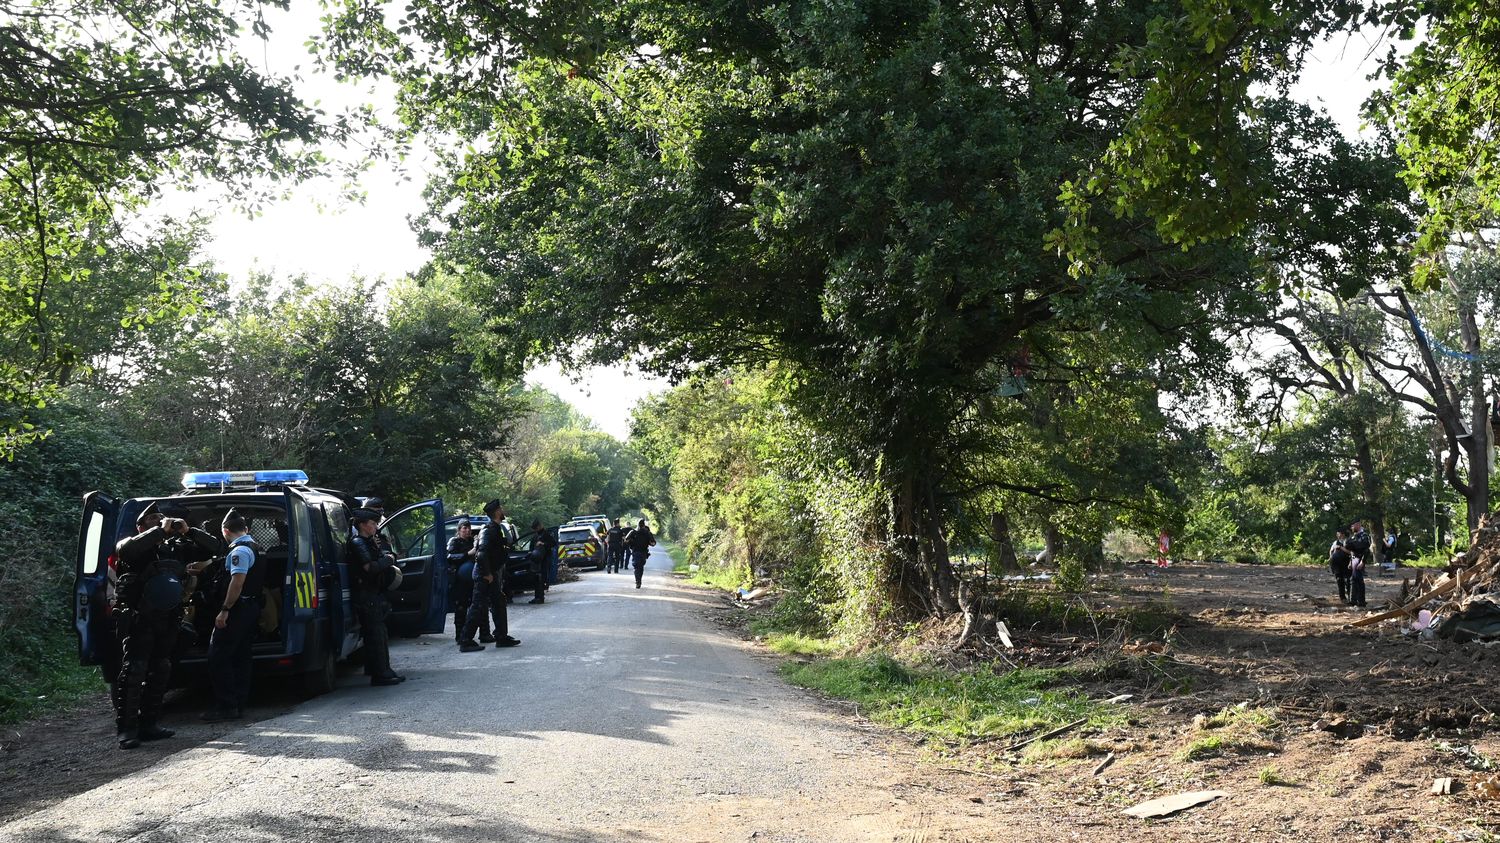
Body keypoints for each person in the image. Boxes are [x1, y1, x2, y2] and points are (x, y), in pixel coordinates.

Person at [112, 502, 218, 748]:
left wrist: (190, 531)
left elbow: (215, 548)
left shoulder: (177, 549)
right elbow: (127, 552)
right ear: (141, 526)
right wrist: (159, 530)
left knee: (161, 669)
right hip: (140, 618)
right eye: (153, 518)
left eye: (163, 517)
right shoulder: (131, 545)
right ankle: (127, 729)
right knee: (134, 671)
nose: (162, 520)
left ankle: (150, 724)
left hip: (169, 619)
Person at [203, 509, 266, 721]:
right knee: (241, 656)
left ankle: (226, 706)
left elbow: (237, 582)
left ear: (225, 531)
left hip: (237, 610)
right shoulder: (254, 546)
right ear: (246, 529)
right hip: (251, 608)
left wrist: (225, 610)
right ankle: (238, 702)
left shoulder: (239, 552)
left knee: (218, 657)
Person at [348, 509, 405, 686]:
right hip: (366, 594)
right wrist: (388, 560)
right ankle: (382, 673)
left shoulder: (368, 541)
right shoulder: (358, 542)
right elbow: (369, 568)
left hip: (373, 592)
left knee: (376, 633)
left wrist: (388, 556)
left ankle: (377, 670)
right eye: (372, 524)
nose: (375, 526)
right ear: (363, 525)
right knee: (376, 634)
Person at [458, 500, 520, 651]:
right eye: (501, 509)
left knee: (499, 602)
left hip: (491, 574)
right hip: (484, 575)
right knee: (477, 606)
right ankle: (465, 641)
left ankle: (501, 637)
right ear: (497, 512)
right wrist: (487, 574)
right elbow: (482, 553)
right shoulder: (488, 530)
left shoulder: (495, 529)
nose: (503, 510)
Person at [446, 518, 486, 644]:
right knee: (461, 607)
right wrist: (468, 553)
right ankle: (460, 636)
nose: (467, 530)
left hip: (473, 578)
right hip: (460, 580)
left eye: (468, 528)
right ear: (459, 530)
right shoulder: (454, 541)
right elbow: (450, 557)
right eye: (464, 528)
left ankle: (483, 634)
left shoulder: (472, 541)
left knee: (477, 605)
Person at [527, 519, 556, 604]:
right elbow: (532, 546)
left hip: (544, 559)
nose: (535, 530)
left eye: (536, 528)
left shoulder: (546, 534)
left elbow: (553, 543)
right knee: (536, 578)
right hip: (536, 560)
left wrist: (543, 544)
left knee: (541, 578)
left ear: (539, 526)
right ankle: (537, 597)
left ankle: (540, 597)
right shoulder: (536, 535)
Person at [1345, 521, 1371, 608]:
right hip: (1354, 559)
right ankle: (1353, 600)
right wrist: (1350, 561)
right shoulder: (1354, 536)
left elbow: (1366, 550)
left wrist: (1362, 562)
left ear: (1358, 525)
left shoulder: (1364, 536)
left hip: (1360, 559)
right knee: (1353, 580)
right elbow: (1352, 549)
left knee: (1359, 580)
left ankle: (1361, 601)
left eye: (1353, 526)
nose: (1352, 528)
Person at [625, 518, 656, 589]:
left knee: (636, 567)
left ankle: (638, 581)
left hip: (636, 552)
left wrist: (631, 542)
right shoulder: (647, 533)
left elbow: (626, 540)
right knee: (640, 567)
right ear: (644, 525)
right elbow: (653, 543)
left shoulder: (633, 532)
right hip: (643, 552)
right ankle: (638, 581)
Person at [1328, 530, 1352, 605]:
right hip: (1336, 564)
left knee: (1348, 580)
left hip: (1346, 563)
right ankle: (1342, 597)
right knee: (1339, 580)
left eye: (1339, 534)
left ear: (1343, 534)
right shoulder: (1335, 542)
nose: (1338, 535)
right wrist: (1331, 557)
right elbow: (1331, 551)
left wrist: (1341, 548)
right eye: (1337, 534)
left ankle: (1350, 596)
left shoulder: (1348, 541)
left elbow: (1351, 552)